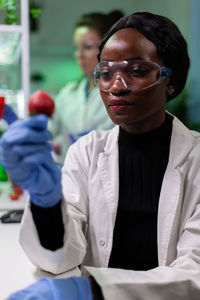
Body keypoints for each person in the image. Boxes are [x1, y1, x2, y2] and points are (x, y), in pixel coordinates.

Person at [1, 11, 200, 300]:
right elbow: (59, 260)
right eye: (106, 74)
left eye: (137, 71)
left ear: (170, 80)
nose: (116, 86)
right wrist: (47, 204)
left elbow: (195, 273)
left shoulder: (196, 159)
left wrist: (92, 290)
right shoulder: (86, 152)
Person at [49, 10, 123, 164]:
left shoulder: (121, 92)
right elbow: (51, 132)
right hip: (71, 178)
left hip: (110, 177)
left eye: (87, 47)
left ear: (107, 48)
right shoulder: (67, 94)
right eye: (76, 48)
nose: (79, 54)